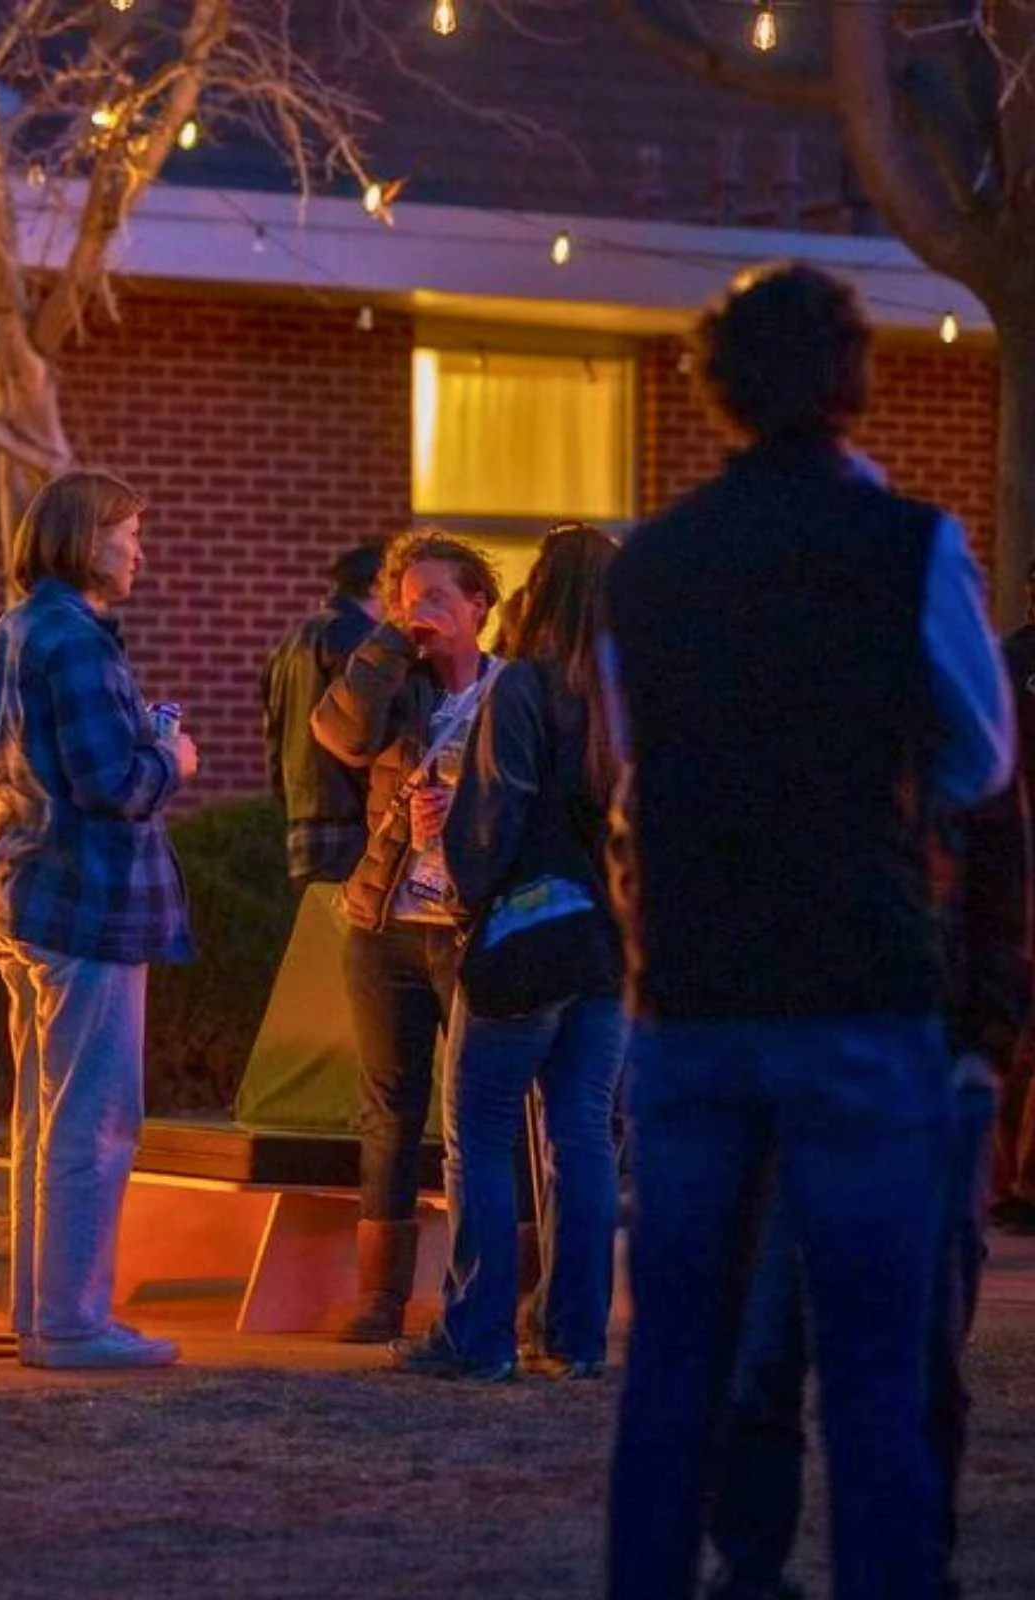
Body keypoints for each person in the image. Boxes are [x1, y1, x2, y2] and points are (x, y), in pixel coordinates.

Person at [603, 264, 1013, 1600]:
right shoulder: (910, 546)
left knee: (675, 1367)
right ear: (853, 379)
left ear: (713, 387)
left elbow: (632, 769)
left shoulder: (649, 566)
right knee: (877, 1377)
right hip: (858, 990)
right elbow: (982, 756)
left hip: (696, 1003)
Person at [705, 751, 1030, 1599]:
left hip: (920, 1075)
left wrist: (981, 1051)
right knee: (763, 1352)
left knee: (917, 1360)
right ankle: (753, 1569)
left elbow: (997, 898)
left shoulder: (951, 716)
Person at [391, 523, 625, 1383]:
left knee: (480, 1136)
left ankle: (478, 1334)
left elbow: (492, 823)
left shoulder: (524, 687)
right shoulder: (632, 698)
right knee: (584, 1140)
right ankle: (578, 1336)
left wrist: (459, 878)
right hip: (608, 953)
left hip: (524, 942)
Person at [0, 470, 198, 1370]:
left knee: (44, 1121)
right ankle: (71, 1324)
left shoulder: (24, 627)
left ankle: (43, 1313)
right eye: (128, 533)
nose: (139, 551)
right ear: (83, 538)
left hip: (30, 898)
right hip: (86, 906)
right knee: (93, 1124)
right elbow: (111, 784)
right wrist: (171, 758)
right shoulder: (73, 640)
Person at [311, 529, 504, 1342]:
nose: (420, 613)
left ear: (478, 607)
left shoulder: (512, 694)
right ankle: (379, 1298)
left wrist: (470, 820)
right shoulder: (399, 686)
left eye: (436, 598)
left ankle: (491, 1288)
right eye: (404, 599)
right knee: (390, 1108)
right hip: (387, 920)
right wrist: (391, 641)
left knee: (481, 1110)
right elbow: (344, 734)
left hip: (471, 928)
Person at [260, 540, 386, 886]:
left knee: (322, 934)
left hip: (304, 825)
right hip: (350, 822)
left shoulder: (290, 643)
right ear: (378, 583)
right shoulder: (357, 638)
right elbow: (363, 727)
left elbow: (274, 738)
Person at [994, 562, 1035, 1237]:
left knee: (1013, 1021)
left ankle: (1010, 1180)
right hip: (1014, 853)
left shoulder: (1008, 659)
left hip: (1014, 852)